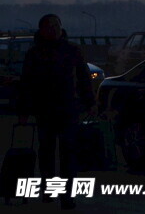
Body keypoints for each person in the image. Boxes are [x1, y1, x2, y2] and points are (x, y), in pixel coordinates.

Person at [16, 13, 96, 210]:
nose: (53, 29)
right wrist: (24, 109)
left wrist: (90, 102)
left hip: (67, 108)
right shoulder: (36, 53)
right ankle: (52, 190)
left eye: (56, 25)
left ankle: (66, 196)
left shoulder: (70, 51)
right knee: (48, 153)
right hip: (46, 109)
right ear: (42, 29)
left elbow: (84, 78)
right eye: (50, 26)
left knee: (66, 153)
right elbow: (26, 83)